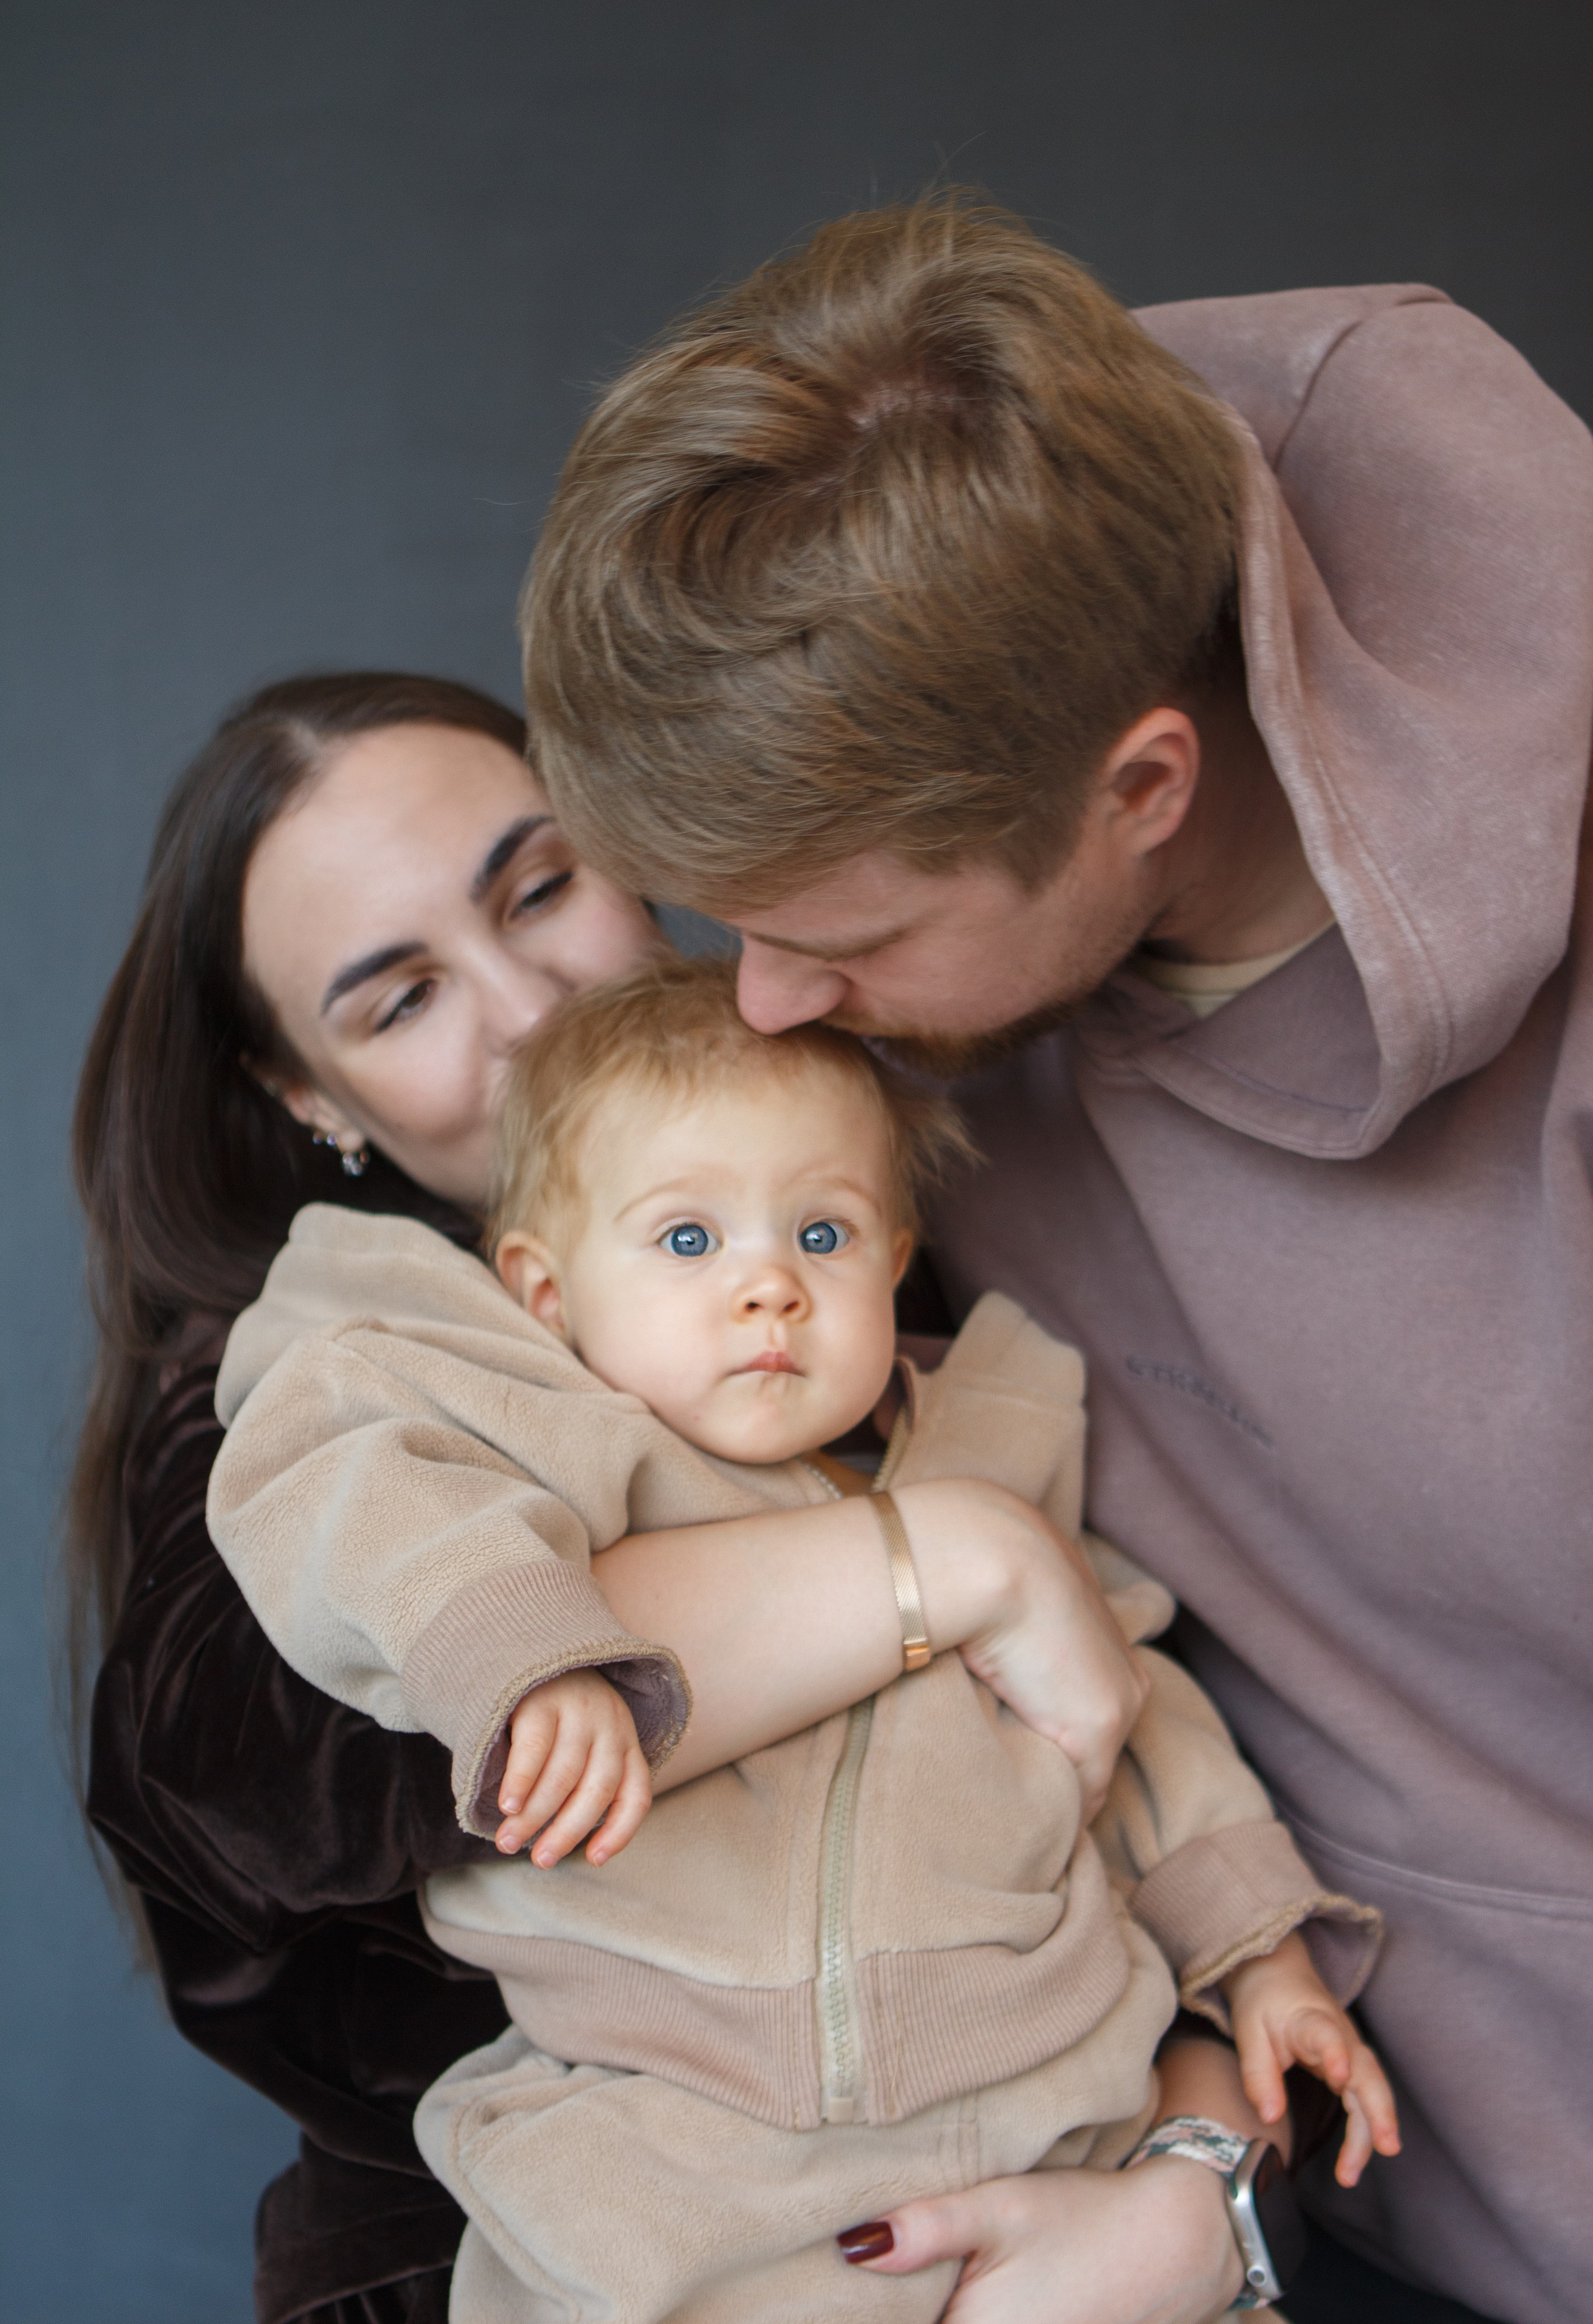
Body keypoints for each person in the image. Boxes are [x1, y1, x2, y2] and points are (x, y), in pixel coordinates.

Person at [513, 199, 1593, 2324]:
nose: (762, 1021)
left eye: (843, 941)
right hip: (1270, 2175)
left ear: (1143, 792)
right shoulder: (940, 753)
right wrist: (1217, 2178)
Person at [70, 673, 1161, 2324]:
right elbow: (269, 1758)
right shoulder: (314, 1366)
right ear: (307, 1095)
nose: (526, 1004)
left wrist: (1205, 2180)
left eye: (541, 887)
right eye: (398, 998)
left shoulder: (839, 1254)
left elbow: (1141, 1756)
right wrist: (958, 1560)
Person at [205, 955, 1391, 2323]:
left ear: (894, 1258)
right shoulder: (536, 1439)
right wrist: (527, 1649)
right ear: (544, 1296)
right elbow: (355, 1484)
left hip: (1053, 2102)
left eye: (820, 1238)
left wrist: (1261, 1956)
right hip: (680, 2159)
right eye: (690, 1241)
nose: (769, 1290)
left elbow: (1138, 1717)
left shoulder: (990, 1456)